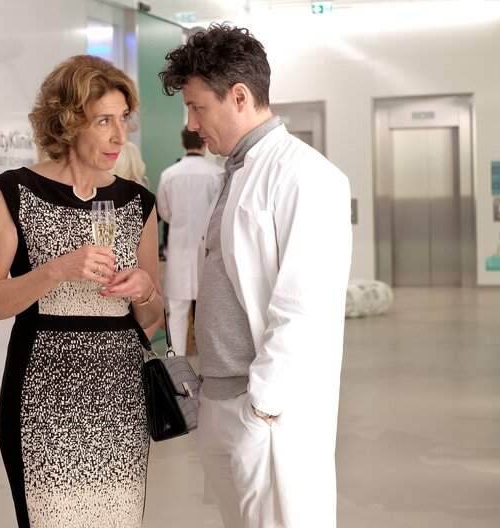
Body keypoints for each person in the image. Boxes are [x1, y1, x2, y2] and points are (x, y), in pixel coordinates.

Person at [160, 23, 352, 528]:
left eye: (198, 107)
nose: (192, 124)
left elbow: (303, 306)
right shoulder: (236, 170)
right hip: (221, 399)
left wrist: (262, 406)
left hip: (263, 411)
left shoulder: (307, 176)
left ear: (240, 97)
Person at [0, 55, 163, 528]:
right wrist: (55, 271)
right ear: (69, 122)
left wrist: (144, 291)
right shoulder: (14, 191)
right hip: (43, 396)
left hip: (121, 396)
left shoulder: (139, 202)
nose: (120, 136)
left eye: (123, 119)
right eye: (104, 121)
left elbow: (152, 318)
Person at [157, 127, 221, 355]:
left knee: (177, 312)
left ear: (183, 144)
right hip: (208, 250)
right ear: (204, 143)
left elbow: (164, 212)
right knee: (211, 312)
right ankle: (211, 363)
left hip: (178, 249)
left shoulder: (169, 174)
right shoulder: (216, 174)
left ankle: (176, 366)